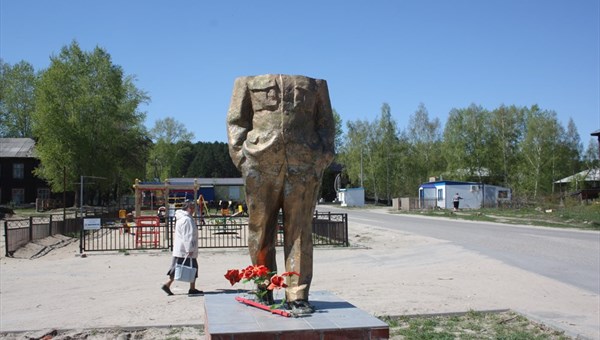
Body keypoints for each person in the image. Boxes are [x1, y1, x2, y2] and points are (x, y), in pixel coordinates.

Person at [227, 74, 335, 314]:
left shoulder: (318, 86)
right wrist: (242, 158)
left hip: (304, 165)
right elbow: (236, 121)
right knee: (260, 228)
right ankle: (262, 287)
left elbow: (326, 124)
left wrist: (322, 157)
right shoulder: (245, 83)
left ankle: (297, 294)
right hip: (260, 163)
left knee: (300, 230)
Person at [161, 200, 203, 296]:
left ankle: (168, 284)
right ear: (188, 208)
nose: (193, 209)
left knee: (178, 267)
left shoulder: (182, 218)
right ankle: (190, 288)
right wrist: (189, 249)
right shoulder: (186, 220)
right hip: (185, 250)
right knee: (192, 268)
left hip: (181, 249)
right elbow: (187, 235)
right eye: (192, 207)